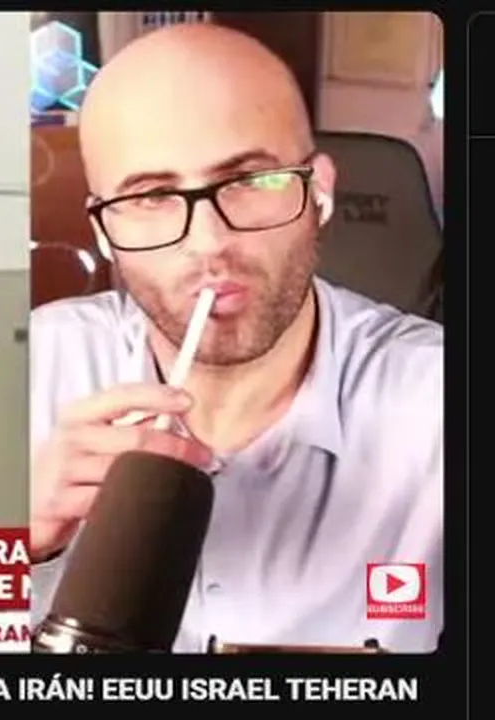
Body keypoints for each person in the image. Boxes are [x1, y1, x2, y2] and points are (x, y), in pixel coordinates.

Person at [29, 24, 443, 653]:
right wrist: (13, 545)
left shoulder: (438, 405)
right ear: (105, 230)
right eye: (152, 196)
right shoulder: (24, 371)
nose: (209, 245)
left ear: (320, 191)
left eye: (251, 180)